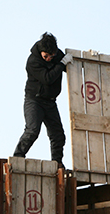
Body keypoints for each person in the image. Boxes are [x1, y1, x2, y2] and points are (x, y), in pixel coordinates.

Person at [13, 32, 73, 169]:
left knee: (58, 134)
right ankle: (18, 157)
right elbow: (48, 78)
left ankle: (57, 163)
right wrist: (61, 63)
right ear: (41, 52)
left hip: (50, 102)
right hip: (34, 100)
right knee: (32, 130)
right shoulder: (33, 61)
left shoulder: (57, 54)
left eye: (51, 56)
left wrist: (70, 63)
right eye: (46, 56)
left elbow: (66, 68)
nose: (48, 59)